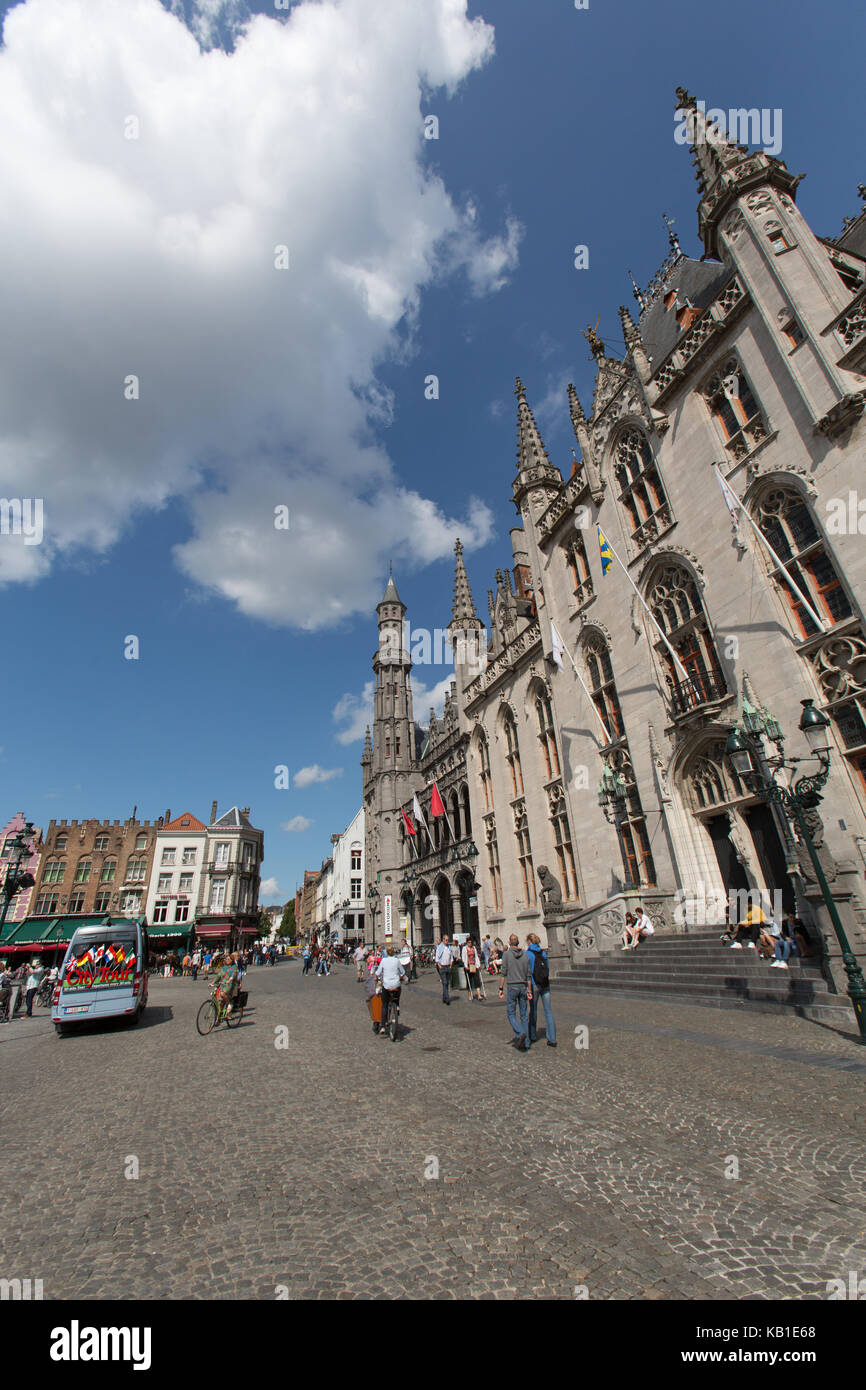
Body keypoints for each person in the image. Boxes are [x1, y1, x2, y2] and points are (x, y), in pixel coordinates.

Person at [498, 935, 532, 1050]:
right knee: (524, 1016)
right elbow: (528, 976)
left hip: (512, 987)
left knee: (511, 1014)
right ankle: (526, 1042)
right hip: (523, 987)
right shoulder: (525, 955)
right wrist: (529, 990)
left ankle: (520, 1032)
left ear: (509, 942)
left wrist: (501, 988)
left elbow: (503, 973)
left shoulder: (506, 954)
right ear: (518, 943)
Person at [525, 933, 556, 1047]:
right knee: (548, 1011)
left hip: (534, 985)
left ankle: (532, 1035)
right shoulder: (543, 952)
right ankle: (552, 1038)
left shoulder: (528, 953)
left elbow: (527, 971)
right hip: (545, 983)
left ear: (529, 941)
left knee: (533, 1010)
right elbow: (547, 966)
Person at [375, 946, 406, 1034]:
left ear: (387, 953)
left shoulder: (384, 961)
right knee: (398, 989)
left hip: (387, 985)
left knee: (384, 1004)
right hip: (396, 985)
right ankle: (397, 1005)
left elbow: (378, 972)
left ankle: (383, 1026)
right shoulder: (396, 960)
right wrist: (401, 977)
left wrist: (376, 977)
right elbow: (403, 972)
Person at [213, 952, 239, 1017]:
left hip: (230, 984)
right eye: (226, 959)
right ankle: (218, 1018)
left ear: (232, 960)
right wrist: (213, 982)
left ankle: (229, 1003)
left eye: (228, 959)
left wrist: (230, 980)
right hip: (223, 984)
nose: (227, 960)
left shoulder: (234, 967)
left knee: (222, 993)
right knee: (220, 1002)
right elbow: (219, 975)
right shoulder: (224, 967)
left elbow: (234, 975)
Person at [435, 935, 454, 1005]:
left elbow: (451, 957)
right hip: (442, 967)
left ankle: (444, 997)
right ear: (443, 940)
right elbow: (437, 958)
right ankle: (447, 998)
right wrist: (439, 966)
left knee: (446, 983)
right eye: (446, 940)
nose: (447, 941)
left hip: (448, 967)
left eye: (448, 940)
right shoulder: (439, 948)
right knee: (445, 982)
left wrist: (451, 965)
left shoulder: (449, 947)